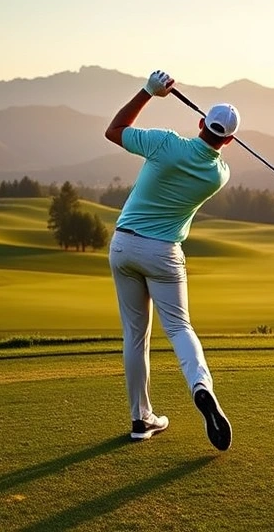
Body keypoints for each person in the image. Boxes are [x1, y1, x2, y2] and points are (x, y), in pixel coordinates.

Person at [104, 69, 236, 450]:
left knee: (135, 335)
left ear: (199, 122)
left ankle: (140, 418)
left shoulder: (163, 143)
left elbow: (114, 130)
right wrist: (219, 140)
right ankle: (200, 387)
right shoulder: (219, 174)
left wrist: (149, 92)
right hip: (164, 254)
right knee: (179, 329)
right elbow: (213, 150)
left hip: (124, 246)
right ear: (228, 141)